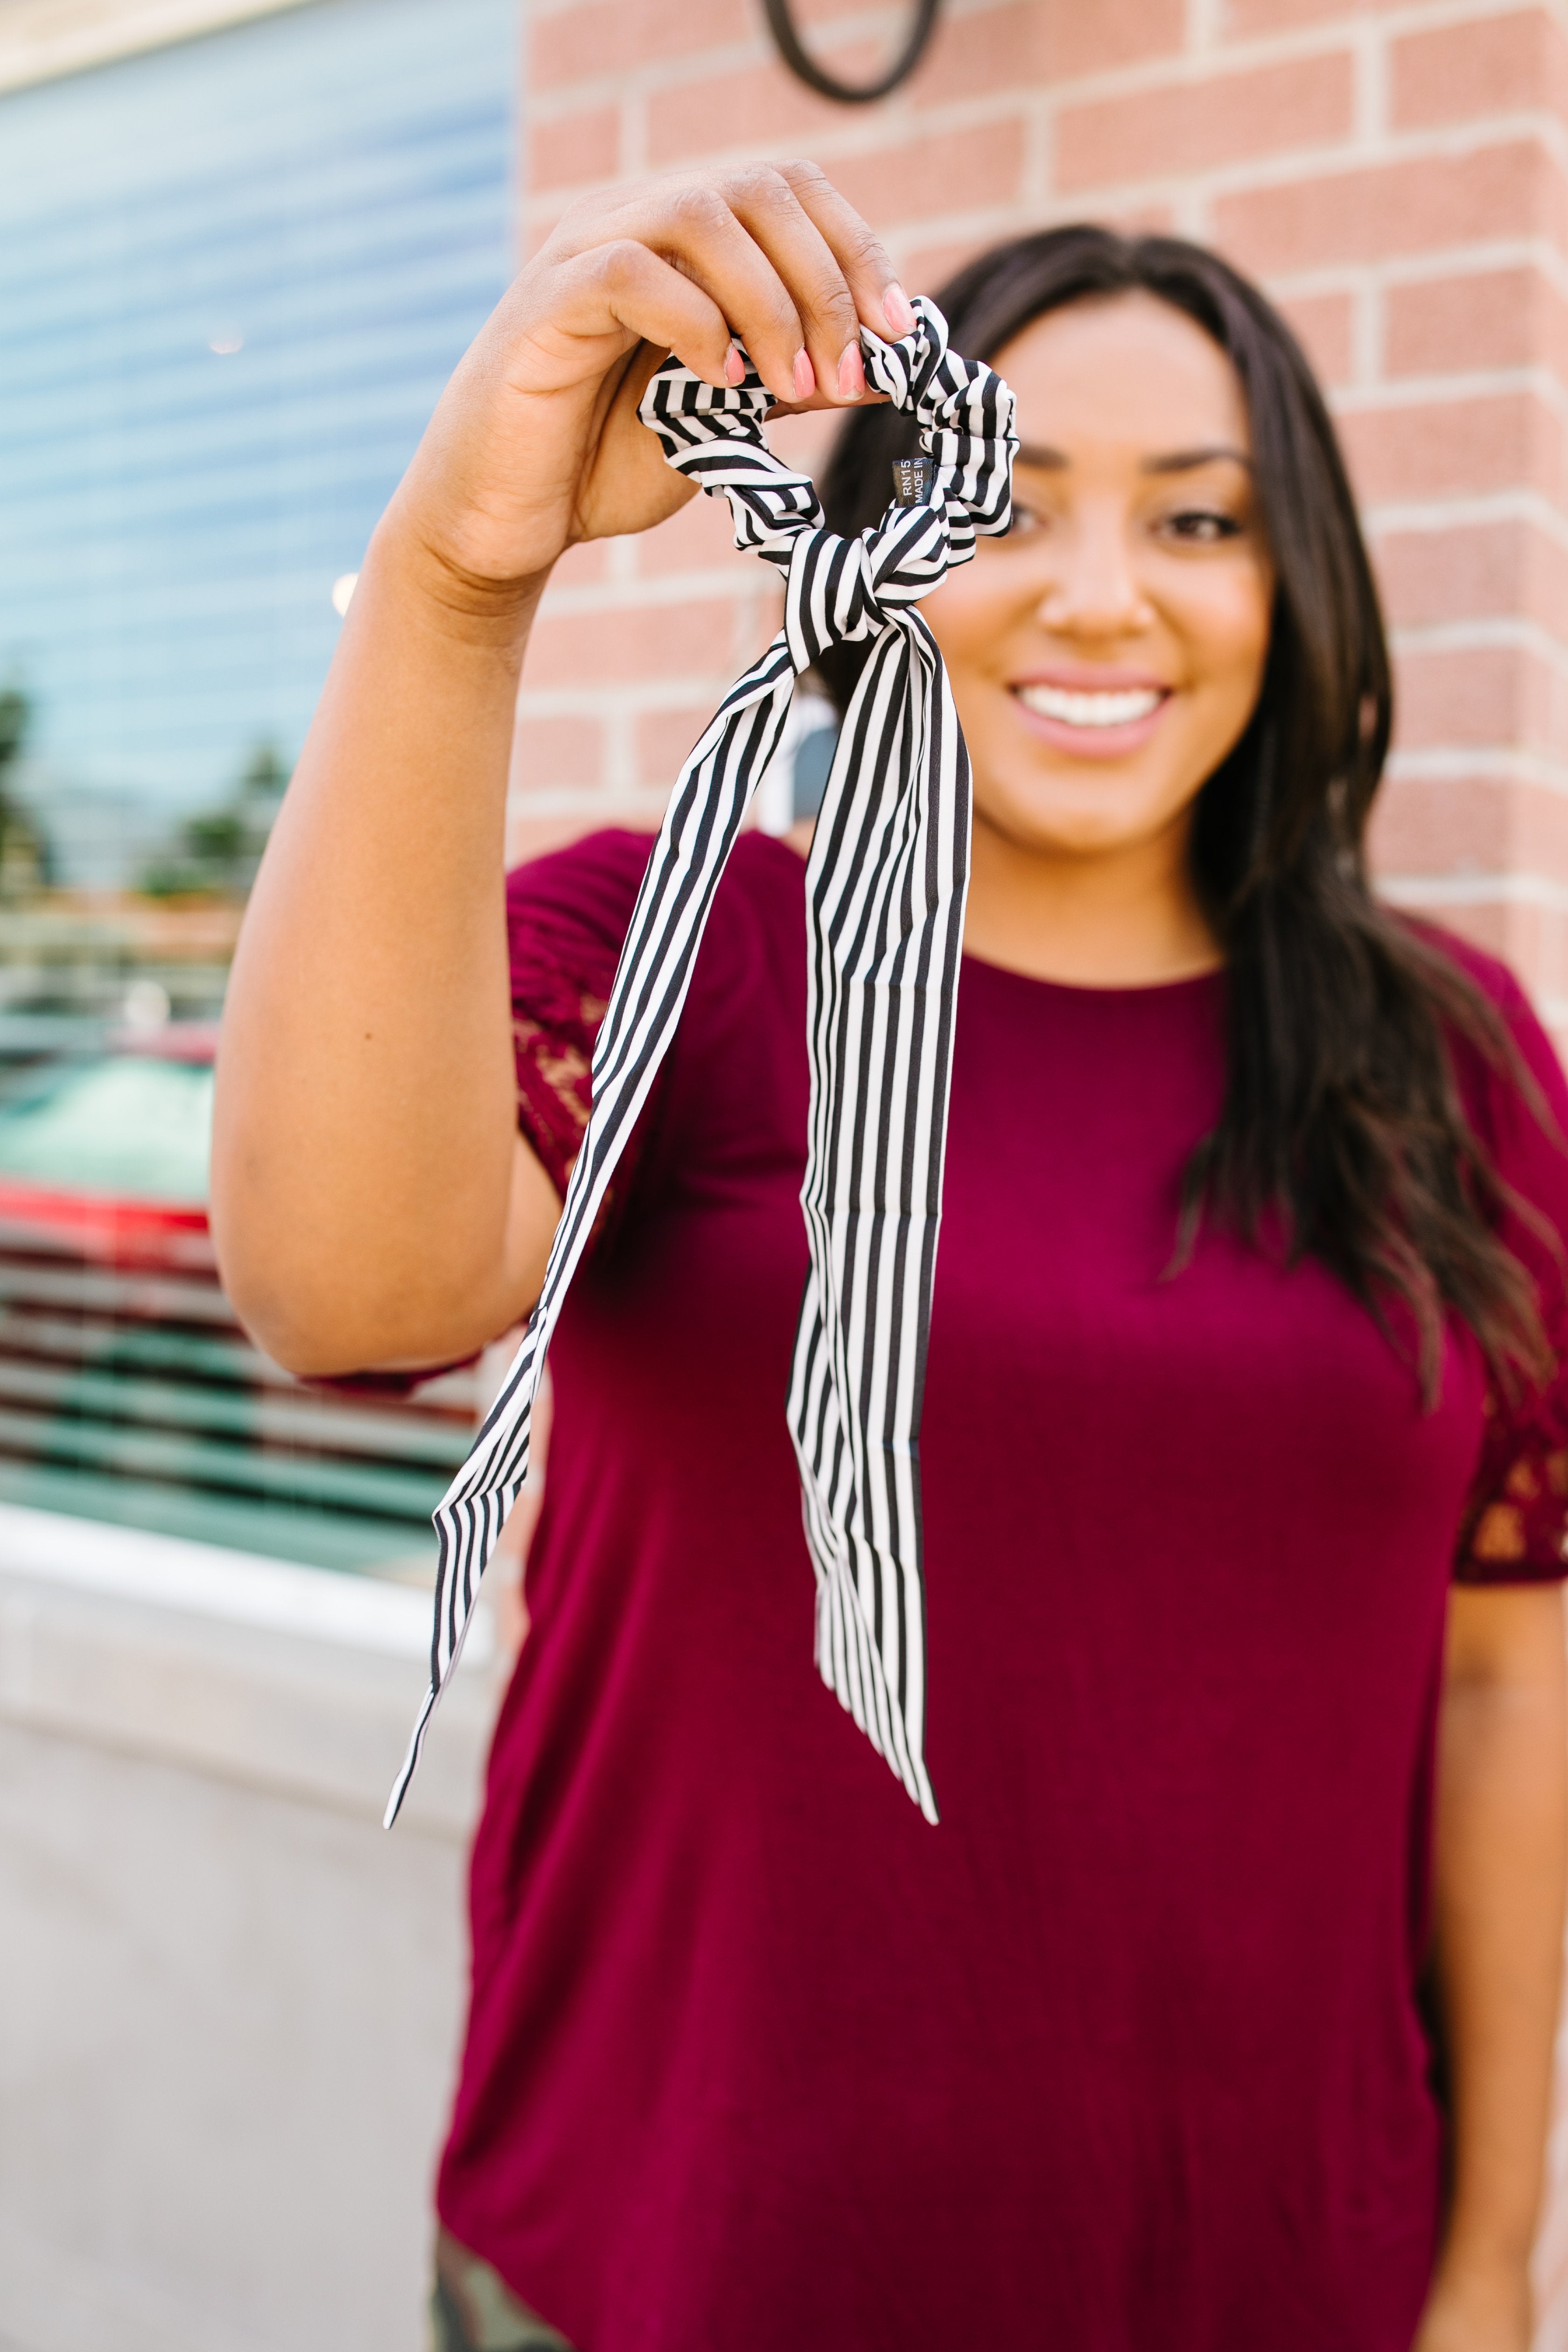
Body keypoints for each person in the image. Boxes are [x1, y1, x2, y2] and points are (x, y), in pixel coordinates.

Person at [210, 166, 1568, 2352]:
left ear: (1295, 583)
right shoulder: (690, 950)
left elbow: (1507, 1679)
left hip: (1277, 2285)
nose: (1102, 597)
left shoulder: (1457, 1064)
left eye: (1199, 520)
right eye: (1003, 501)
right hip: (665, 2275)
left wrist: (1492, 2256)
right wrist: (465, 579)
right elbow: (339, 1287)